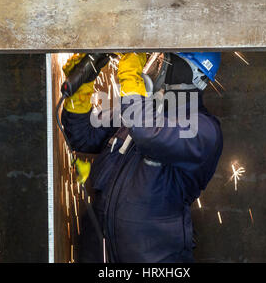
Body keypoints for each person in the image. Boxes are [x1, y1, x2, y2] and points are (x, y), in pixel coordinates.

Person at [61, 52, 223, 262]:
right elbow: (82, 136)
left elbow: (146, 132)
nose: (151, 64)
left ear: (182, 69)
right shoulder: (140, 110)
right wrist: (81, 91)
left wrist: (132, 87)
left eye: (159, 58)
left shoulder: (202, 130)